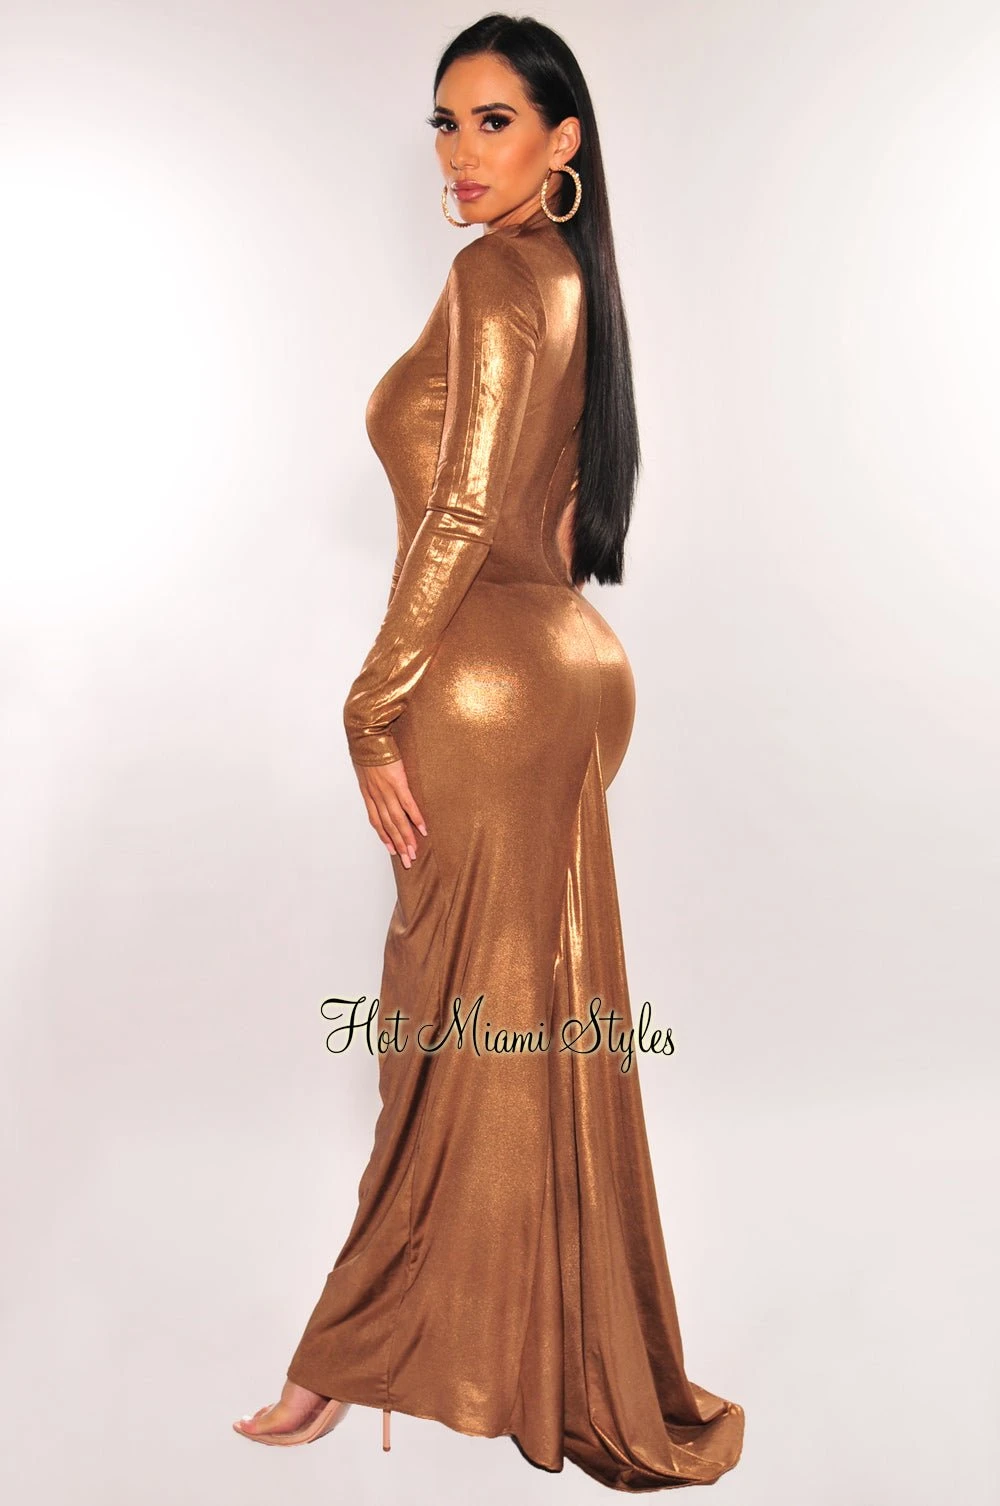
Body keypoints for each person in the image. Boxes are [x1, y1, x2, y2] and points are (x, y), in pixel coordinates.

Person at [233, 13, 745, 1492]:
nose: (460, 154)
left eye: (495, 121)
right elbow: (536, 516)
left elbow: (461, 512)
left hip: (487, 687)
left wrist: (369, 706)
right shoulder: (571, 277)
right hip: (563, 668)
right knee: (508, 1027)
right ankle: (494, 1349)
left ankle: (349, 1358)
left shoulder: (498, 276)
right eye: (444, 124)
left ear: (563, 140)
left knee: (440, 1031)